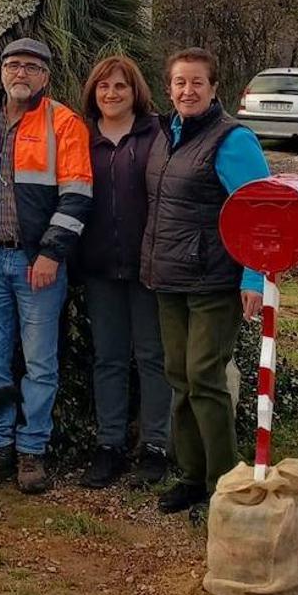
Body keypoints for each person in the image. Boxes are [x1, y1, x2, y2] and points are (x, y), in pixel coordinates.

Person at [140, 47, 269, 518]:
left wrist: (254, 276)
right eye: (179, 83)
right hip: (170, 278)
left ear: (215, 87)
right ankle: (191, 476)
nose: (187, 91)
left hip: (216, 280)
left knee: (205, 377)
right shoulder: (166, 134)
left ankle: (224, 484)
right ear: (168, 88)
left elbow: (259, 209)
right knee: (178, 375)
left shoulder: (231, 140)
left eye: (197, 82)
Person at [0, 39, 93, 494]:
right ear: (1, 71)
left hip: (37, 262)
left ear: (45, 77)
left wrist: (51, 253)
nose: (21, 73)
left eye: (31, 67)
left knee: (39, 363)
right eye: (13, 65)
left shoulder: (64, 122)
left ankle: (32, 451)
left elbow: (77, 194)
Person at [76, 55, 170, 489]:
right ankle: (109, 445)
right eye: (103, 87)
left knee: (152, 357)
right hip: (98, 265)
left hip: (147, 265)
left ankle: (155, 447)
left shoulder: (157, 134)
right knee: (109, 358)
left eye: (121, 87)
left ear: (136, 92)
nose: (111, 94)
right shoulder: (81, 136)